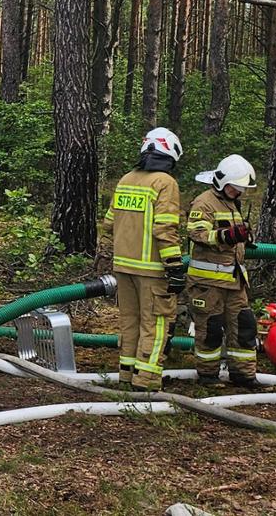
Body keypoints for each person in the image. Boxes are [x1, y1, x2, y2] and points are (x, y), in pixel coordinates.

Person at [104, 127, 186, 390]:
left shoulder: (126, 179)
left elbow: (108, 223)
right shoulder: (165, 183)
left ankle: (127, 375)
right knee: (156, 324)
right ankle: (147, 380)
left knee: (130, 322)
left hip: (123, 266)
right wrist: (174, 266)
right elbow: (164, 228)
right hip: (153, 270)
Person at [186, 153, 260, 387]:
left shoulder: (232, 203)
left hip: (234, 281)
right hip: (208, 284)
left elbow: (235, 235)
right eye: (234, 188)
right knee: (210, 329)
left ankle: (244, 375)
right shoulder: (204, 202)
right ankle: (208, 376)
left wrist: (244, 239)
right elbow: (197, 233)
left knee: (244, 327)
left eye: (240, 189)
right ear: (221, 181)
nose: (238, 193)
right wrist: (226, 236)